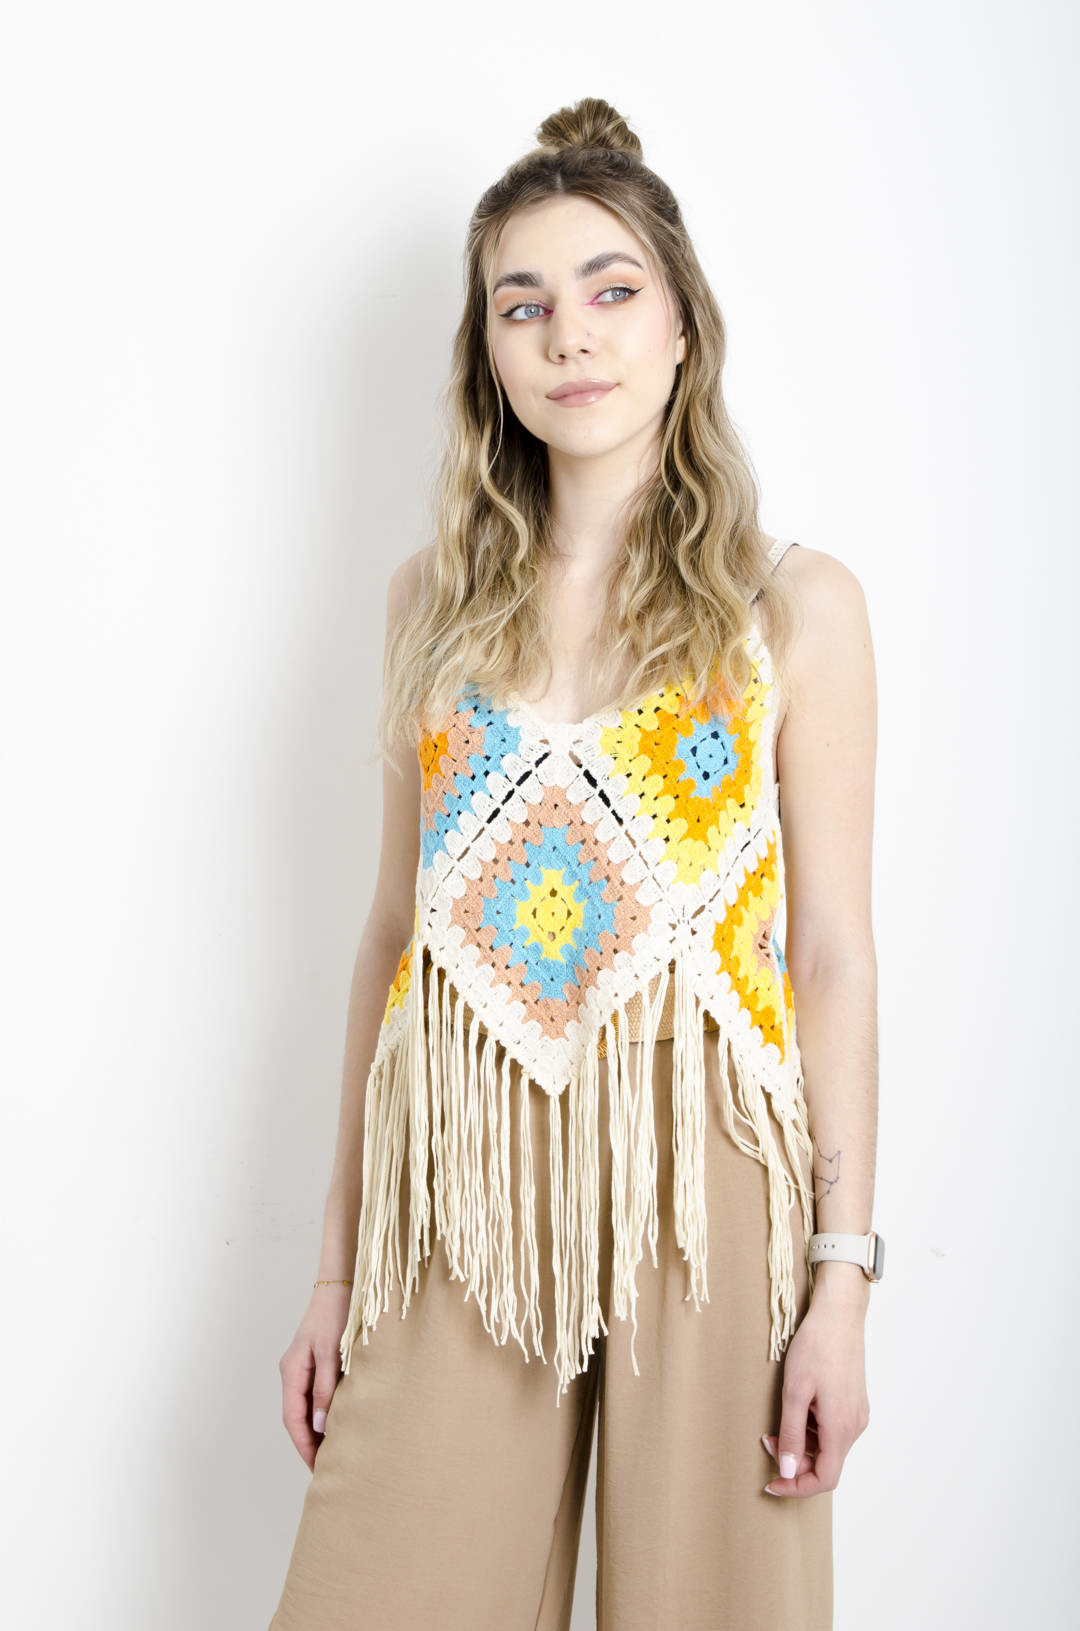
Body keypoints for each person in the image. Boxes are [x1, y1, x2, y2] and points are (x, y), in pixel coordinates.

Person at [267, 95, 881, 1631]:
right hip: (464, 1152)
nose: (570, 335)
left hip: (705, 1158)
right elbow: (393, 936)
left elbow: (832, 956)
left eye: (612, 289)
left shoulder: (793, 605)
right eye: (523, 304)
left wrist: (841, 1285)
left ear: (683, 326)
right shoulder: (429, 603)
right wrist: (337, 1272)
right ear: (489, 352)